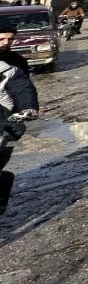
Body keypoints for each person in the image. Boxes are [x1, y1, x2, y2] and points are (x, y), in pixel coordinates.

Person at [0, 30, 39, 215]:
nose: (6, 42)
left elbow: (23, 87)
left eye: (9, 39)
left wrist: (27, 108)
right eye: (1, 39)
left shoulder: (13, 66)